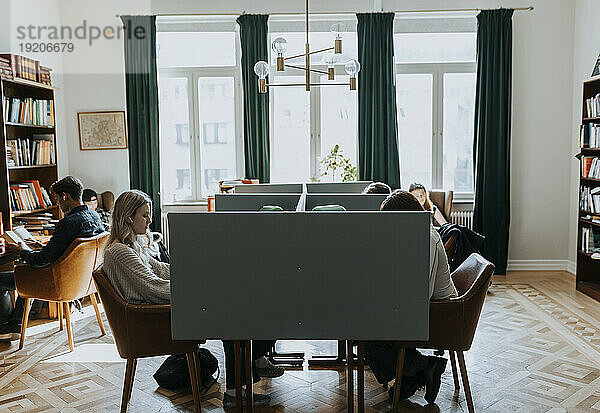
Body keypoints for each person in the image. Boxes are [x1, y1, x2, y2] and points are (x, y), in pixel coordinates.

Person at [102, 190, 283, 408]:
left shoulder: (132, 246)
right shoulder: (119, 252)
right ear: (128, 217)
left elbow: (161, 271)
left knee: (238, 307)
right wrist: (199, 289)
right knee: (234, 316)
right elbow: (153, 288)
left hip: (159, 312)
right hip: (154, 320)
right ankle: (239, 388)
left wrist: (198, 271)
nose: (150, 220)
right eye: (145, 215)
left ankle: (252, 366)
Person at [364, 190, 457, 404]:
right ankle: (413, 373)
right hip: (429, 306)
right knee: (369, 322)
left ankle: (420, 368)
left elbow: (422, 292)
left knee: (368, 330)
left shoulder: (426, 240)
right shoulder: (414, 236)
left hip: (440, 314)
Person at [0, 176, 106, 340]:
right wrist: (41, 247)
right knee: (28, 271)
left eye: (56, 199)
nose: (57, 204)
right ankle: (16, 322)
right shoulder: (95, 217)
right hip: (84, 282)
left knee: (12, 276)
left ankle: (6, 329)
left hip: (59, 284)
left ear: (65, 196)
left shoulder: (68, 223)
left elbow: (42, 260)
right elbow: (68, 252)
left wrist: (21, 251)